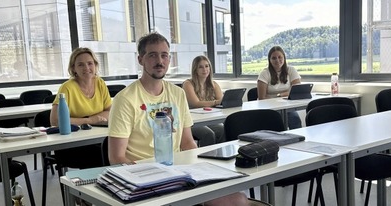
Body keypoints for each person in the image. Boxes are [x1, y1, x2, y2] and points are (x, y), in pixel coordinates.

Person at [108, 32, 248, 206]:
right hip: (145, 176)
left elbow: (188, 143)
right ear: (140, 59)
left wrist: (201, 170)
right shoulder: (126, 99)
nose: (159, 61)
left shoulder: (177, 93)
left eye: (164, 55)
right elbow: (116, 157)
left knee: (238, 200)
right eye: (152, 55)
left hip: (178, 171)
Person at [49, 47, 111, 169]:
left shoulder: (100, 83)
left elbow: (110, 111)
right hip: (70, 144)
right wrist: (90, 120)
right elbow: (55, 121)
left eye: (90, 63)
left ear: (95, 65)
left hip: (95, 138)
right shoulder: (67, 88)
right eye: (81, 65)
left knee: (117, 148)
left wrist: (81, 120)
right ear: (73, 68)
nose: (87, 68)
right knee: (101, 155)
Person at [182, 55, 225, 146]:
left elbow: (222, 100)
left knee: (223, 130)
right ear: (195, 70)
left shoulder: (213, 84)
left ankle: (220, 156)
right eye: (200, 67)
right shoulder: (188, 84)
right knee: (208, 134)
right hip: (192, 121)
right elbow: (196, 103)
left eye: (207, 66)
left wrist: (220, 101)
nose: (204, 69)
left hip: (208, 118)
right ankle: (206, 158)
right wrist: (215, 102)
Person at [256, 46, 302, 129]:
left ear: (284, 58)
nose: (277, 60)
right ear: (269, 60)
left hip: (287, 105)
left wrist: (280, 95)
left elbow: (297, 91)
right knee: (278, 124)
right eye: (274, 58)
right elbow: (261, 98)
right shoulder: (264, 73)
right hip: (269, 107)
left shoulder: (291, 70)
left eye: (280, 57)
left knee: (295, 120)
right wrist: (280, 97)